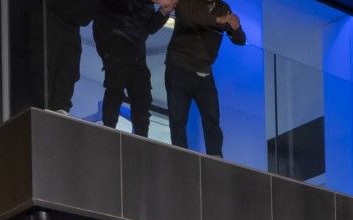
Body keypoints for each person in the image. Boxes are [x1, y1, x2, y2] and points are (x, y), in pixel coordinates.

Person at [163, 0, 246, 158]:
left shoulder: (223, 8)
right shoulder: (188, 3)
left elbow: (240, 40)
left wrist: (236, 25)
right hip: (179, 67)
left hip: (204, 72)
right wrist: (219, 20)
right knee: (178, 118)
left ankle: (215, 159)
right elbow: (193, 18)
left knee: (212, 119)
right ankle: (181, 157)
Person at [94, 0, 169, 134]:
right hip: (117, 40)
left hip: (137, 48)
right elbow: (122, 5)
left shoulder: (149, 6)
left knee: (142, 94)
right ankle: (108, 130)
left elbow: (149, 27)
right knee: (115, 87)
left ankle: (141, 139)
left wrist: (163, 12)